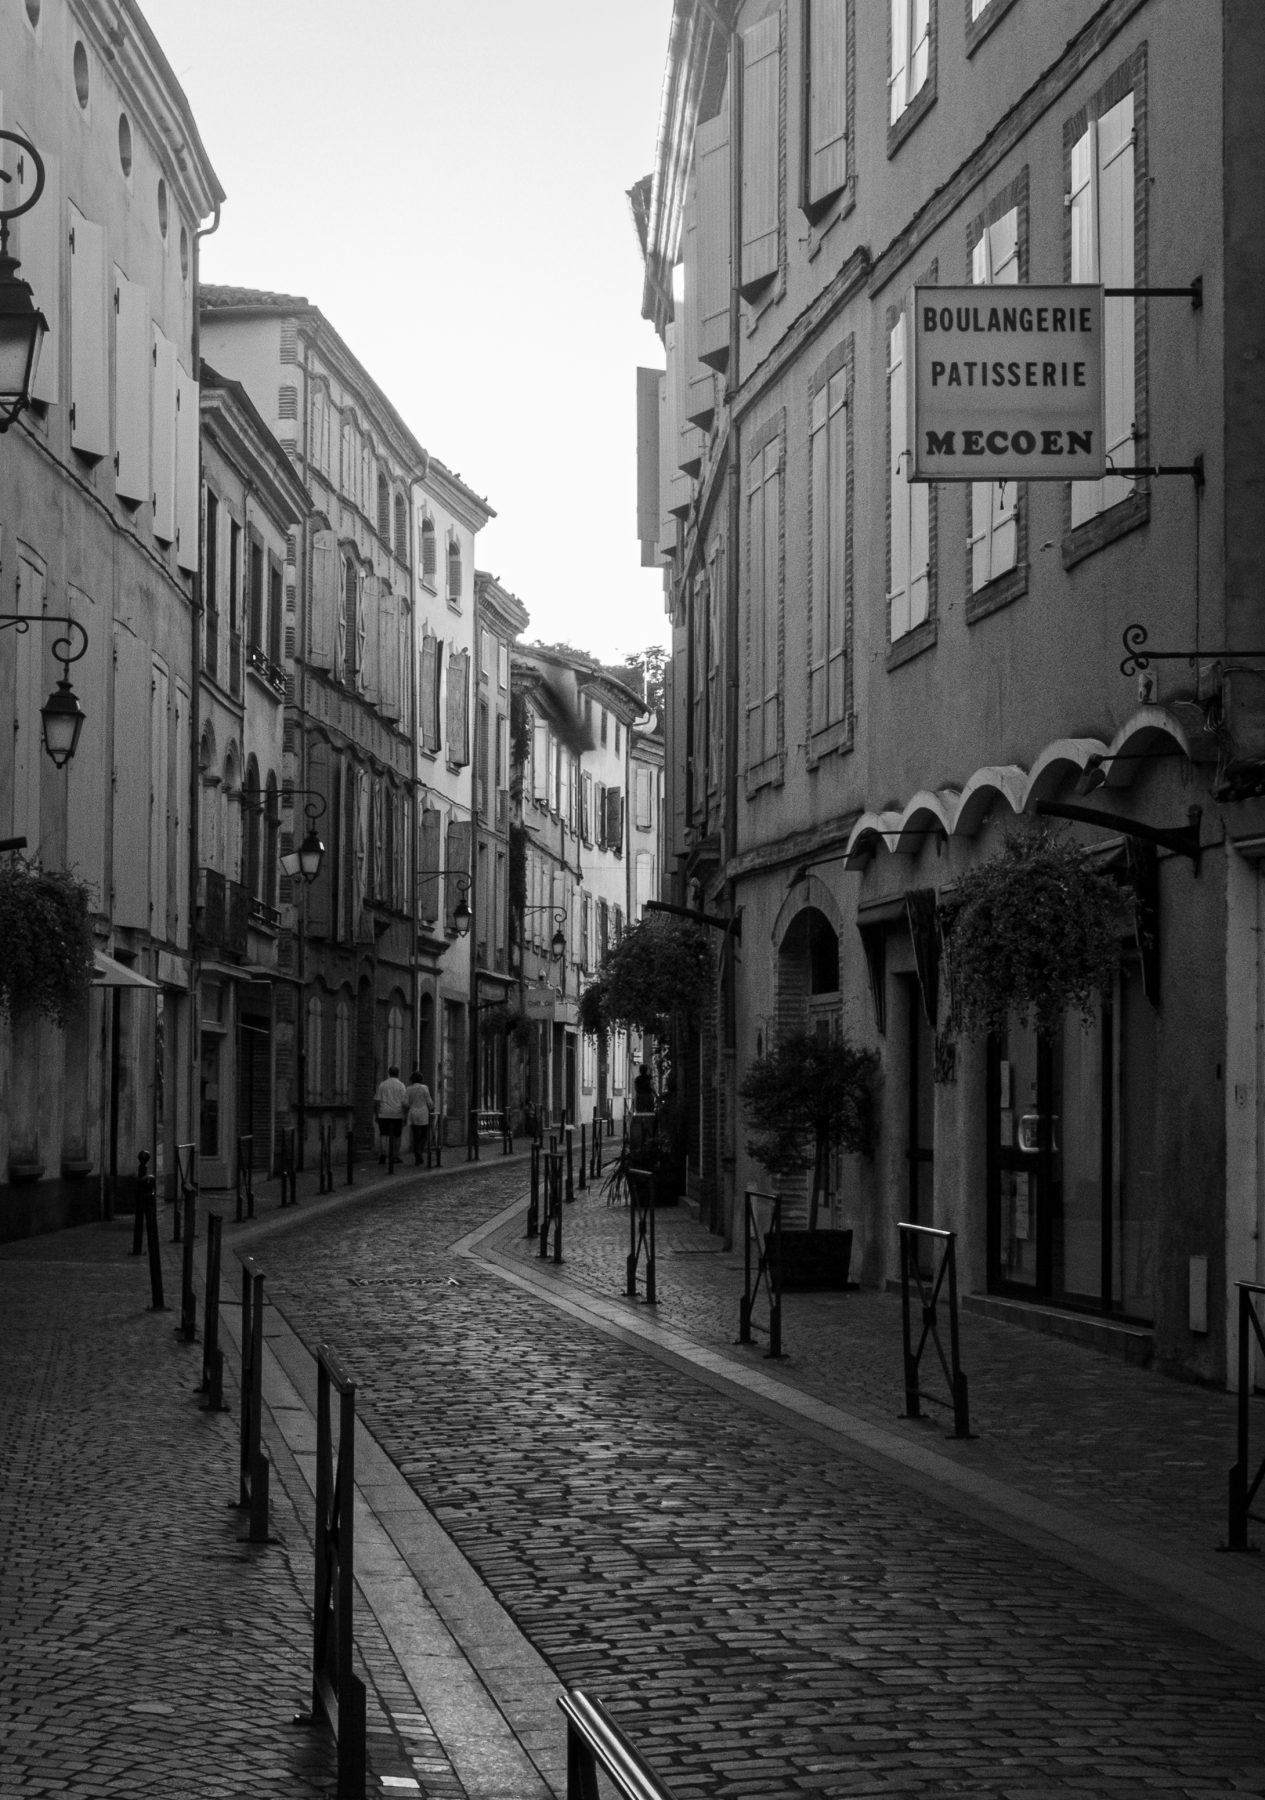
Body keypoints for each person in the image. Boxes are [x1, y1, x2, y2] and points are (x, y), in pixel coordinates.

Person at [374, 1065, 408, 1165]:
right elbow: (404, 1102)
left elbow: (377, 1101)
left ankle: (383, 1155)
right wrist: (405, 1115)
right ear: (398, 1074)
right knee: (397, 1135)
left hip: (384, 1113)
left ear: (389, 1073)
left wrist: (377, 1114)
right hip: (397, 1113)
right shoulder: (401, 1085)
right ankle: (395, 1156)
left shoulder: (382, 1084)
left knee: (384, 1134)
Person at [404, 1068, 434, 1166]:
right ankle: (419, 1151)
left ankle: (417, 1155)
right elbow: (429, 1101)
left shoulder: (408, 1088)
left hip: (413, 1113)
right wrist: (431, 1108)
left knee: (415, 1135)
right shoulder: (424, 1088)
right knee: (424, 1135)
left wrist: (411, 1106)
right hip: (423, 1113)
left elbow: (405, 1102)